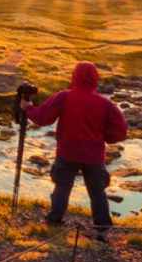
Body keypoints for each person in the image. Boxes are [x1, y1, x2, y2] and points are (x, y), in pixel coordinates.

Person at [19, 61, 127, 239]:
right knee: (97, 192)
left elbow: (43, 118)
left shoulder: (64, 97)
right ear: (95, 79)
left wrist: (28, 108)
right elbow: (121, 131)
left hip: (67, 152)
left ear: (74, 76)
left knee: (62, 187)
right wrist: (106, 138)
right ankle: (102, 229)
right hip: (94, 155)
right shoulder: (104, 103)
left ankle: (54, 220)